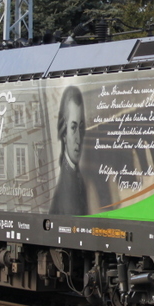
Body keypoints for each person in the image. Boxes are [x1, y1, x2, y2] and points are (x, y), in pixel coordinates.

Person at [50, 86, 88, 215]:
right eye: (73, 128)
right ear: (64, 133)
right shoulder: (65, 186)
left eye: (81, 128)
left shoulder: (75, 174)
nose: (78, 139)